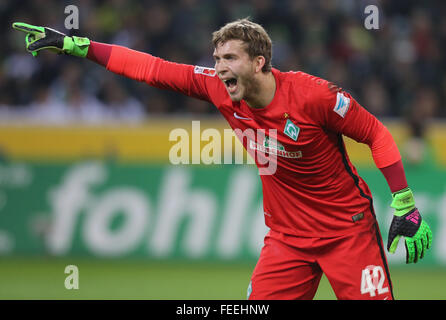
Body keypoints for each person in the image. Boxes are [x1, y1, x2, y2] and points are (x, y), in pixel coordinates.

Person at [12, 19, 432, 300]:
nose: (219, 68)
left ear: (259, 62)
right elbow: (152, 69)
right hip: (287, 240)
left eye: (229, 59)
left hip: (348, 232)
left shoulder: (314, 96)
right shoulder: (217, 88)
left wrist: (404, 201)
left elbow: (375, 132)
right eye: (216, 59)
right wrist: (77, 45)